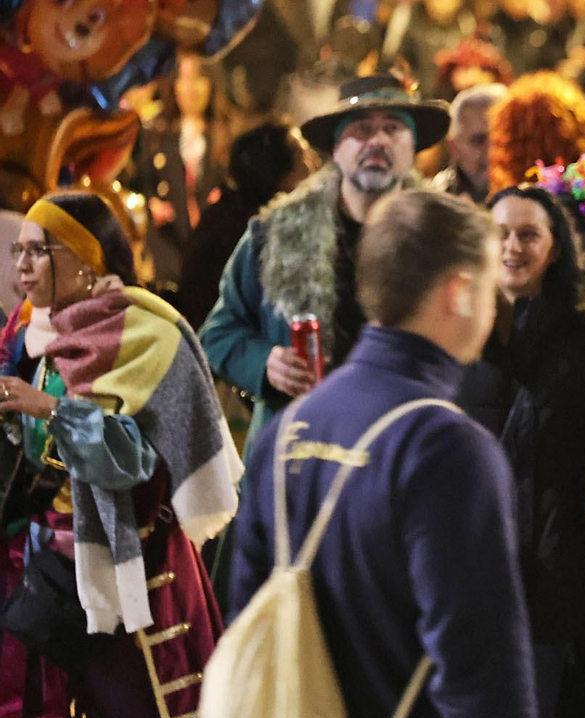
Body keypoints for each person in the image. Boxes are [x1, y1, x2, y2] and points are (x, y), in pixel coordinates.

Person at [227, 189, 542, 718]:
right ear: (458, 291)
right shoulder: (448, 448)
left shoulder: (288, 428)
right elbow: (478, 672)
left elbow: (245, 619)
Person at [0, 192, 241, 718]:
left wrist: (47, 409)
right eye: (18, 251)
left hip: (120, 571)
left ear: (84, 259)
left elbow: (130, 460)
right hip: (37, 565)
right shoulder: (27, 332)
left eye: (39, 251)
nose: (22, 267)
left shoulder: (143, 333)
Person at [481, 183, 585, 718]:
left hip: (557, 563)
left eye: (528, 234)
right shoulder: (454, 332)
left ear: (554, 249)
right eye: (500, 234)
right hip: (472, 560)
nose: (513, 247)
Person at [199, 75, 450, 438]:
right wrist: (266, 363)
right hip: (299, 455)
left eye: (393, 128)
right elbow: (217, 333)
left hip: (404, 450)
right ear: (335, 148)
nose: (377, 140)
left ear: (413, 148)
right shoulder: (274, 235)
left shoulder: (445, 239)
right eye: (362, 129)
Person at [174, 122, 313, 332]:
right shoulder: (249, 233)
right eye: (302, 156)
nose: (313, 165)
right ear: (279, 174)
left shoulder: (225, 215)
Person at [131, 56, 231, 289]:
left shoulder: (228, 132)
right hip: (168, 250)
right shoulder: (155, 135)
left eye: (198, 79)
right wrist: (154, 205)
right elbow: (142, 184)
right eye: (184, 79)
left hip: (216, 254)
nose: (191, 89)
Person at [431, 83, 507, 204]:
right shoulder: (436, 204)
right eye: (478, 141)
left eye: (500, 139)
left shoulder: (540, 193)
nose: (491, 151)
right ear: (453, 148)